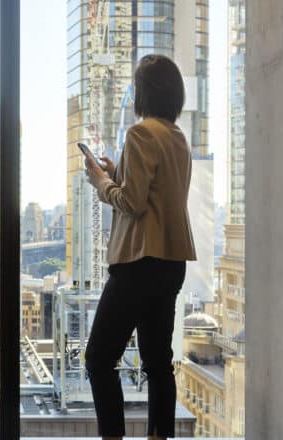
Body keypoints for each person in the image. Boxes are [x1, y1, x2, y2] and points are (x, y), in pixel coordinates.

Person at [83, 54, 197, 440]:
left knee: (99, 359)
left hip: (138, 261)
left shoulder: (140, 133)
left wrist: (101, 181)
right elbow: (154, 193)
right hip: (171, 261)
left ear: (142, 92)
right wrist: (118, 173)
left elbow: (131, 203)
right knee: (157, 362)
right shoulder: (177, 138)